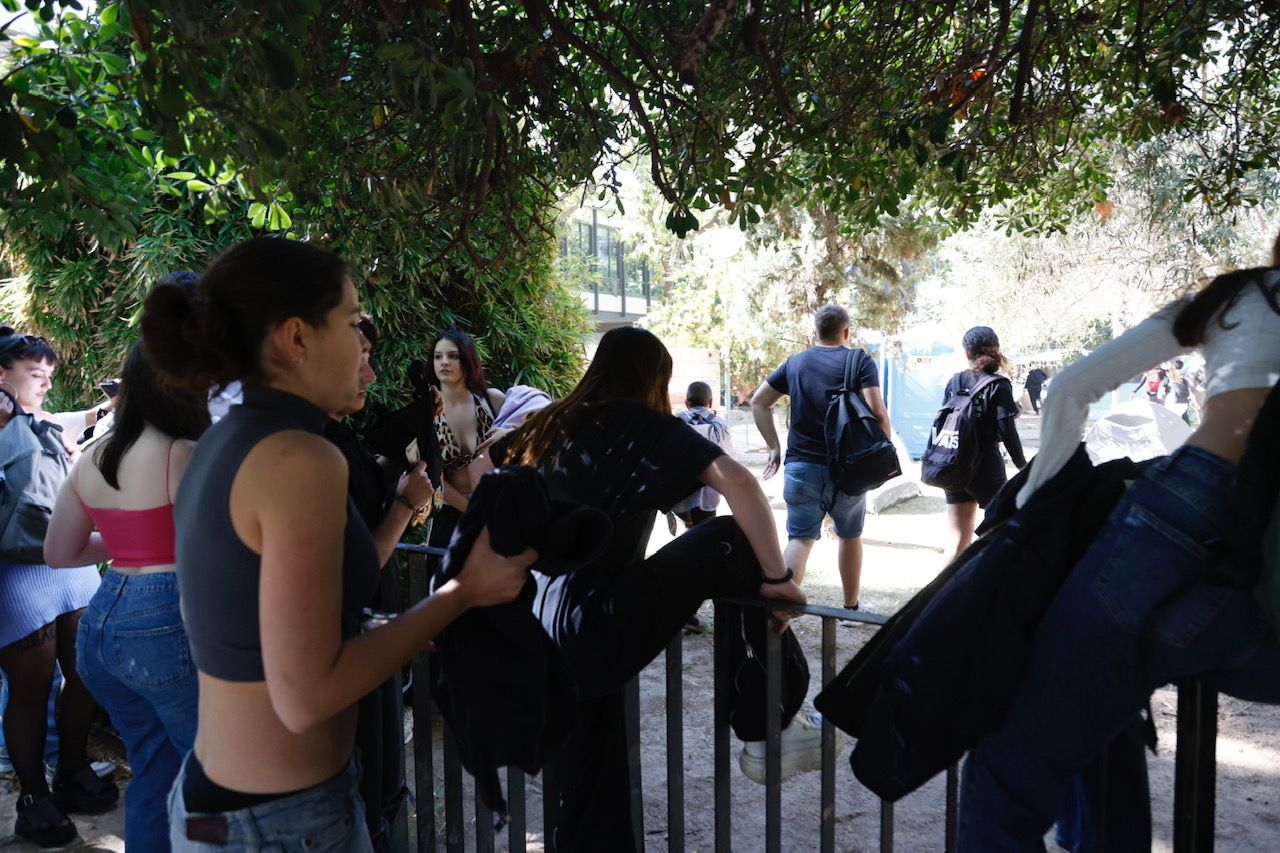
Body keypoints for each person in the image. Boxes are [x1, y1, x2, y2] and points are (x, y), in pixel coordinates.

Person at [138, 237, 534, 851]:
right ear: (296, 339)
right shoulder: (300, 458)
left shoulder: (222, 441)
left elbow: (253, 624)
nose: (364, 349)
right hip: (282, 819)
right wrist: (462, 593)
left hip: (223, 799)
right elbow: (307, 696)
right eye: (353, 323)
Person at [958, 233, 1280, 851]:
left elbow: (1072, 387)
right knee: (1123, 679)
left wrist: (1031, 503)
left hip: (1195, 500)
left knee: (1017, 758)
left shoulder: (1241, 295)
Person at [484, 326, 816, 851]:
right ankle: (769, 717)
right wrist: (778, 580)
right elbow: (741, 483)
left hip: (535, 631)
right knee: (727, 539)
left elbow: (484, 485)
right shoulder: (643, 425)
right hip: (593, 619)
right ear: (654, 379)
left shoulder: (548, 422)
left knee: (594, 782)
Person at [43, 335, 210, 852]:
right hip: (165, 621)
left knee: (153, 768)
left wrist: (126, 539)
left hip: (103, 622)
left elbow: (59, 551)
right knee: (208, 772)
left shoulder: (94, 454)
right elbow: (207, 552)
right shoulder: (186, 451)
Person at [0, 330, 118, 848]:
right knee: (32, 685)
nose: (45, 384)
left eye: (49, 375)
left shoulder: (44, 421)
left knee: (86, 667)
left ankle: (70, 772)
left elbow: (81, 429)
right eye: (34, 374)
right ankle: (32, 795)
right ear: (2, 375)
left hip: (67, 558)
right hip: (16, 568)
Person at [325, 317, 434, 849]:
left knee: (384, 772)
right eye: (358, 355)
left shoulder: (336, 434)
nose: (369, 373)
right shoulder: (308, 449)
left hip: (369, 631)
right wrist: (406, 504)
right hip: (351, 639)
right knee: (369, 782)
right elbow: (357, 564)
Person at [750, 304, 890, 612]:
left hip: (800, 466)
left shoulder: (794, 363)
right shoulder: (860, 361)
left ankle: (779, 610)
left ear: (813, 333)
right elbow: (878, 412)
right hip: (848, 469)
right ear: (846, 332)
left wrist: (774, 446)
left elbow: (759, 402)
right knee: (850, 535)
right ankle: (850, 608)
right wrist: (882, 456)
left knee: (800, 539)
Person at [941, 327, 1027, 561]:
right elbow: (1007, 432)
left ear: (967, 353)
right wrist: (1024, 467)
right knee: (1002, 534)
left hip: (954, 464)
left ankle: (941, 595)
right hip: (986, 467)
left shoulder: (955, 380)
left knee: (957, 541)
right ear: (996, 350)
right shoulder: (998, 385)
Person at [427, 327, 506, 549]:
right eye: (438, 356)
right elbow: (432, 477)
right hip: (452, 513)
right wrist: (475, 513)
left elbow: (537, 436)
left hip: (498, 507)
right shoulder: (426, 412)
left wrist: (511, 435)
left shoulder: (493, 401)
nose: (444, 362)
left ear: (468, 360)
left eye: (453, 356)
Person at [668, 380, 733, 530]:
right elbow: (729, 458)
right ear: (710, 402)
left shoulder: (675, 422)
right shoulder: (719, 424)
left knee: (688, 534)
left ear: (686, 403)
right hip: (709, 492)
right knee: (704, 533)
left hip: (681, 492)